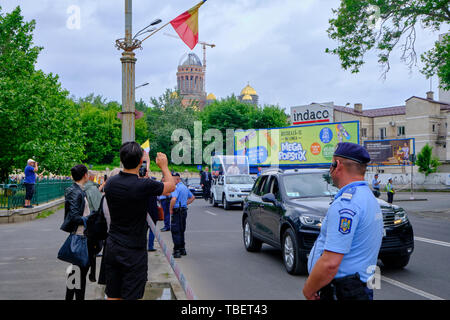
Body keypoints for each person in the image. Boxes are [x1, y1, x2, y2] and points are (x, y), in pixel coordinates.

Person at [303, 142, 383, 300]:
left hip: (342, 292)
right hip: (359, 288)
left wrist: (308, 290)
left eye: (331, 164)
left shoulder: (346, 204)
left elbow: (330, 263)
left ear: (337, 165)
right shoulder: (367, 197)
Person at [103, 142, 175, 300]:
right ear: (139, 162)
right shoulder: (143, 185)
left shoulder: (110, 184)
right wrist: (164, 166)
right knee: (132, 295)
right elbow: (170, 186)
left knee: (113, 294)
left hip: (113, 245)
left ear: (122, 159)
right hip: (134, 250)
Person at [60, 164, 91, 301]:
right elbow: (74, 217)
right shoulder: (75, 191)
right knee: (79, 273)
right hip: (79, 236)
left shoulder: (78, 190)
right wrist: (89, 219)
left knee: (75, 272)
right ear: (85, 175)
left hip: (81, 235)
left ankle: (70, 298)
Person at [170, 173, 195, 258]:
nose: (172, 181)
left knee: (175, 230)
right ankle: (182, 249)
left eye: (173, 180)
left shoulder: (176, 188)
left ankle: (177, 251)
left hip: (177, 211)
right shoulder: (184, 187)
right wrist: (185, 204)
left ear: (177, 179)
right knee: (181, 230)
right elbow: (192, 197)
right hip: (183, 211)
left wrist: (170, 209)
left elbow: (173, 199)